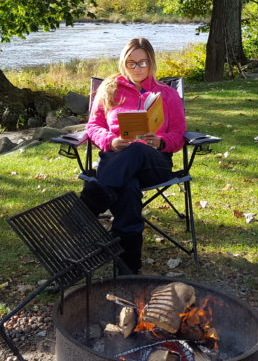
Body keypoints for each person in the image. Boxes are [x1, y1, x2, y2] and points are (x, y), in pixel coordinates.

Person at [79, 37, 186, 274]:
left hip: (154, 163)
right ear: (123, 63)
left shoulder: (167, 95)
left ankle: (86, 208)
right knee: (127, 186)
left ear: (151, 63)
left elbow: (179, 135)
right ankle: (128, 267)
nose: (137, 68)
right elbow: (93, 127)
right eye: (131, 63)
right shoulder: (109, 89)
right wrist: (111, 141)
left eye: (143, 63)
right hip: (117, 160)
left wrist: (160, 142)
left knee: (138, 149)